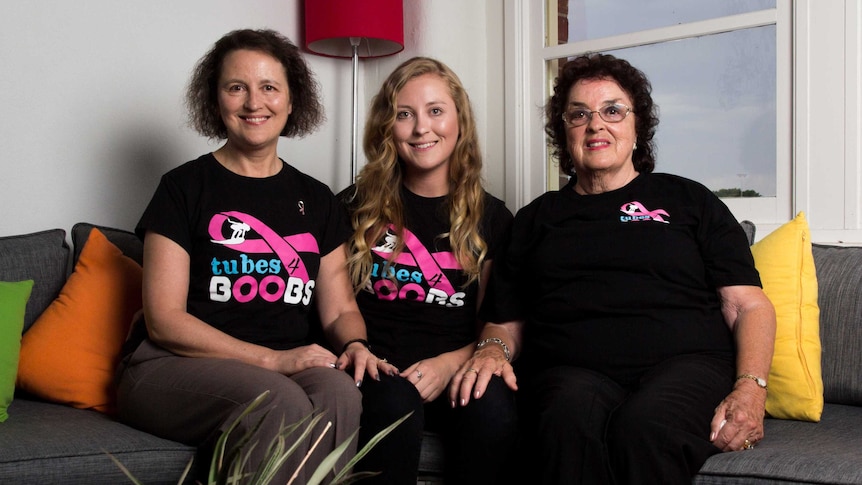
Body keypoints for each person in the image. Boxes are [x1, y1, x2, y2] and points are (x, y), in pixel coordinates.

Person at [449, 53, 777, 484]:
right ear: (564, 133)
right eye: (578, 114)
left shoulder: (689, 201)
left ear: (637, 126)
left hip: (686, 366)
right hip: (570, 373)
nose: (595, 124)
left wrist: (751, 387)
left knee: (644, 427)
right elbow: (503, 323)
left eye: (612, 111)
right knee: (564, 419)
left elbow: (748, 306)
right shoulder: (535, 220)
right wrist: (493, 348)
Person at [115, 29, 396, 484]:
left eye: (268, 87)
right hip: (171, 367)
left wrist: (355, 344)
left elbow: (341, 307)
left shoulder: (317, 199)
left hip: (284, 367)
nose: (253, 103)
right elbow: (163, 319)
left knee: (340, 393)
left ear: (291, 101)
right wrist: (271, 361)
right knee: (277, 398)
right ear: (216, 99)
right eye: (236, 87)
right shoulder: (183, 188)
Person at [340, 56, 517, 484]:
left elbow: (497, 324)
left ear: (460, 122)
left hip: (455, 366)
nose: (422, 128)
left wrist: (447, 365)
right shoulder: (351, 207)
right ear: (388, 127)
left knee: (490, 401)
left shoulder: (493, 217)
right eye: (405, 114)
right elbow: (333, 308)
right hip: (376, 372)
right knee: (394, 402)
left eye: (436, 111)